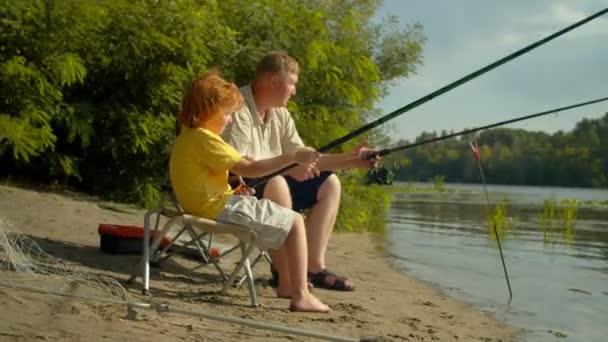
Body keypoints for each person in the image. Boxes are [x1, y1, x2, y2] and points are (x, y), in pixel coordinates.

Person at [169, 71, 329, 313]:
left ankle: (290, 285)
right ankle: (299, 294)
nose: (230, 120)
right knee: (295, 221)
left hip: (203, 206)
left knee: (282, 216)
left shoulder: (188, 135)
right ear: (209, 110)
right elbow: (251, 168)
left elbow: (207, 177)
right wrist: (293, 157)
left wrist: (236, 190)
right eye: (227, 114)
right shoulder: (206, 139)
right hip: (215, 209)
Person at [222, 51, 378, 291]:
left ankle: (313, 267)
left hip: (270, 182)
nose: (294, 90)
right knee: (279, 183)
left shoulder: (282, 115)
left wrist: (352, 159)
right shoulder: (238, 107)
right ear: (274, 81)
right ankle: (283, 272)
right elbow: (239, 164)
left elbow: (307, 159)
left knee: (329, 183)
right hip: (240, 188)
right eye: (292, 83)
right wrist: (288, 168)